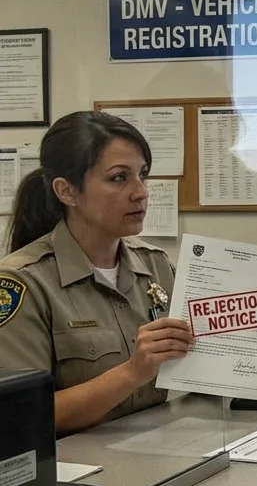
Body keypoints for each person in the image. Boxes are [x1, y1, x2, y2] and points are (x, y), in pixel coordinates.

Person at [0, 111, 192, 433]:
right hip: (75, 472)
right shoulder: (22, 283)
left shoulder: (157, 266)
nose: (141, 192)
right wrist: (132, 372)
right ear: (67, 191)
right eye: (119, 178)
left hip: (158, 454)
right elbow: (19, 416)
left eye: (142, 175)